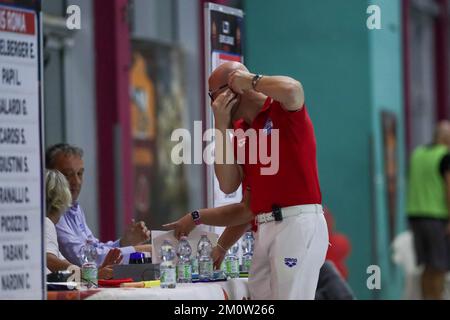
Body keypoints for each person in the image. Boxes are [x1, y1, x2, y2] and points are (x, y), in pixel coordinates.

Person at [165, 62, 329, 299]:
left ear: (234, 87)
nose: (213, 104)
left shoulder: (280, 109)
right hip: (265, 228)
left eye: (214, 95)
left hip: (296, 224)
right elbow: (234, 192)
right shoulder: (243, 132)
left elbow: (293, 89)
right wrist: (221, 126)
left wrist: (250, 80)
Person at [46, 143, 152, 267]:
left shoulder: (75, 208)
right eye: (68, 174)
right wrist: (135, 251)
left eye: (79, 174)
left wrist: (123, 243)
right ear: (51, 177)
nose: (76, 181)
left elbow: (92, 248)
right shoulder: (52, 214)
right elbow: (83, 259)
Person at [45, 169, 122, 279]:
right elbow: (50, 260)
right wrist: (91, 275)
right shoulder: (46, 223)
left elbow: (64, 264)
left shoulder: (46, 225)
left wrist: (97, 272)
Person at [406, 121, 450, 299]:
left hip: (415, 215)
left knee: (426, 266)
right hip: (436, 216)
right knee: (440, 266)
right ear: (445, 137)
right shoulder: (445, 156)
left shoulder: (417, 153)